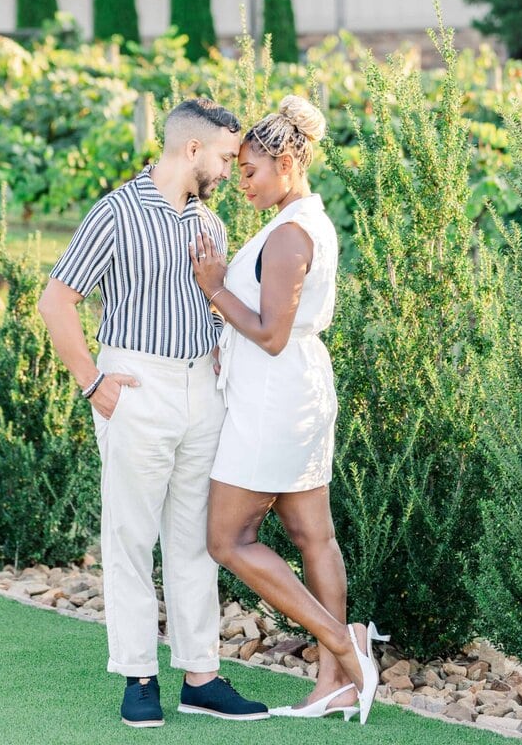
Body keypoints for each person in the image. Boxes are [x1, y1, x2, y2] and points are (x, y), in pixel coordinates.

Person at [38, 97, 269, 728]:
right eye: (225, 156)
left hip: (203, 393)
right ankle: (139, 675)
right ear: (192, 149)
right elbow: (56, 301)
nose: (229, 169)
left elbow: (214, 306)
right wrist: (93, 382)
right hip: (136, 386)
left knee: (195, 541)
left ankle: (202, 676)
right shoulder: (115, 212)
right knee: (132, 537)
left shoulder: (211, 226)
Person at [189, 94, 387, 726]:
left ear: (286, 160)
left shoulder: (292, 233)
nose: (240, 182)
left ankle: (340, 642)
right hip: (290, 388)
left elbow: (272, 332)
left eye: (249, 170)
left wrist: (215, 286)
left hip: (274, 395)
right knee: (312, 534)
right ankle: (335, 683)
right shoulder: (299, 222)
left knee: (227, 538)